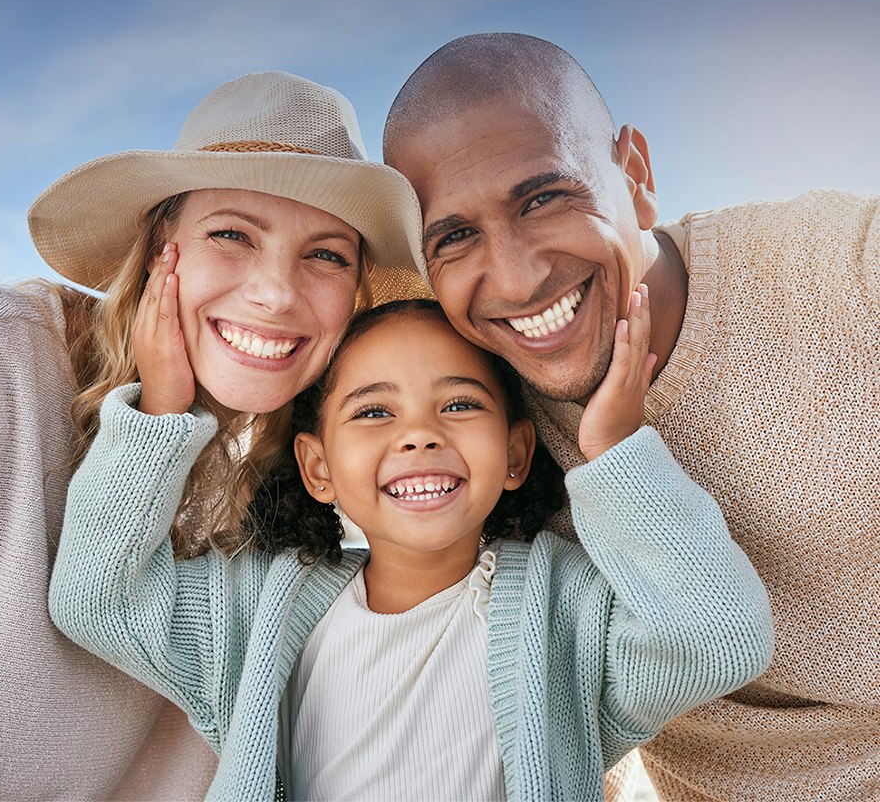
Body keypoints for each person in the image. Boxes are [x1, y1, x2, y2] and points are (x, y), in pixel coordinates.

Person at [0, 70, 425, 800]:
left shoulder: (310, 484)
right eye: (232, 234)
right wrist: (158, 418)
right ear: (163, 242)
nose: (276, 293)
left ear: (355, 294)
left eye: (326, 254)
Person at [382, 32, 880, 801]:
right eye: (455, 237)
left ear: (635, 175)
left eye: (544, 197)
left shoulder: (845, 267)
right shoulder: (475, 428)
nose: (516, 279)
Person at [49, 288, 773, 802]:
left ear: (517, 455)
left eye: (460, 404)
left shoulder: (570, 614)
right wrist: (162, 410)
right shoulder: (260, 610)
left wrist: (615, 452)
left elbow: (718, 638)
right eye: (373, 411)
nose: (420, 433)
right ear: (319, 468)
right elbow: (97, 599)